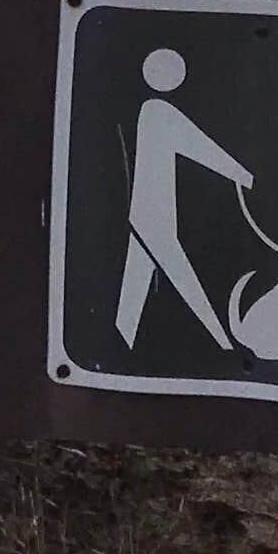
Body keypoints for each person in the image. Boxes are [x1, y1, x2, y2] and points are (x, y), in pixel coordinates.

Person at [116, 45, 248, 349]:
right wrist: (241, 175)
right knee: (182, 276)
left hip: (147, 215)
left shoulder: (153, 110)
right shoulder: (157, 111)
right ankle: (223, 344)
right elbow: (199, 147)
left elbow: (196, 145)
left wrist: (239, 174)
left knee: (135, 285)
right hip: (153, 217)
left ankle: (121, 341)